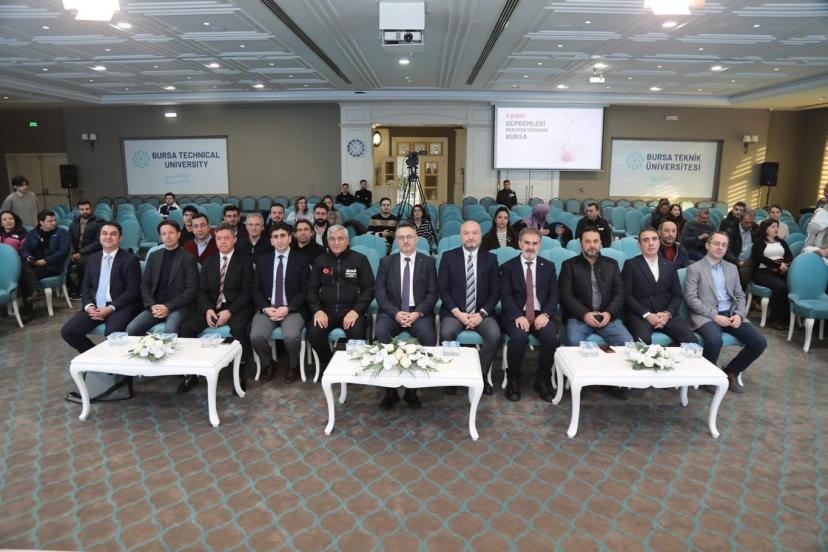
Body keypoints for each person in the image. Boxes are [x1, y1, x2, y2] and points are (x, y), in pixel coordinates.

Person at [684, 231, 767, 393]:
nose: (720, 247)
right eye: (716, 243)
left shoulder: (731, 268)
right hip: (706, 315)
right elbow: (691, 299)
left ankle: (731, 371)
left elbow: (740, 295)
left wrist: (739, 314)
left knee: (759, 342)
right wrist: (714, 316)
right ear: (707, 245)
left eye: (724, 245)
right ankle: (706, 376)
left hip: (731, 314)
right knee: (715, 340)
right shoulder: (695, 268)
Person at [178, 223, 254, 394]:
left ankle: (240, 374)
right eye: (219, 238)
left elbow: (247, 292)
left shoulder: (245, 261)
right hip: (212, 307)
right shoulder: (209, 261)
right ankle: (191, 374)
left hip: (236, 307)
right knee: (186, 328)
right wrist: (208, 309)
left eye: (227, 238)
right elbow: (202, 290)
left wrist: (229, 311)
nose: (223, 242)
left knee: (239, 329)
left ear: (234, 239)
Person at [559, 227, 634, 399]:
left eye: (595, 241)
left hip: (607, 317)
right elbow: (566, 295)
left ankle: (613, 381)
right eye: (587, 241)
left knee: (627, 343)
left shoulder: (612, 264)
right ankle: (581, 381)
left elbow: (619, 293)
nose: (591, 245)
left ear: (600, 243)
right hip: (579, 317)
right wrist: (584, 314)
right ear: (581, 244)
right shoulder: (569, 265)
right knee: (573, 342)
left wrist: (609, 313)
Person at [374, 223, 438, 409]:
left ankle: (412, 390)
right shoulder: (386, 262)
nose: (406, 241)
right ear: (396, 241)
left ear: (416, 239)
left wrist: (417, 313)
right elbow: (380, 292)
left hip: (418, 312)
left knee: (428, 337)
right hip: (392, 311)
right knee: (381, 335)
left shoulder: (428, 262)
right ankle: (390, 392)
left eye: (409, 237)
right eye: (401, 237)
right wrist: (395, 313)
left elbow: (433, 293)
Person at [437, 221, 500, 396]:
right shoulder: (448, 257)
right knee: (446, 333)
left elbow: (496, 291)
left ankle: (479, 375)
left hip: (482, 313)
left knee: (494, 335)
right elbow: (443, 289)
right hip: (455, 312)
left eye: (475, 233)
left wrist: (481, 314)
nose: (470, 237)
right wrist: (458, 314)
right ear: (460, 236)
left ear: (481, 235)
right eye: (466, 233)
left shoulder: (490, 259)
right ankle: (452, 376)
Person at [60, 222, 143, 353]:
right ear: (100, 237)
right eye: (104, 233)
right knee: (68, 332)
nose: (108, 237)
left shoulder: (130, 260)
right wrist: (89, 306)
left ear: (120, 238)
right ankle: (96, 356)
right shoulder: (92, 259)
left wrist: (110, 308)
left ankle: (114, 364)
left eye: (113, 234)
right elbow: (86, 287)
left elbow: (133, 291)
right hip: (96, 306)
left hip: (119, 306)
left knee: (112, 335)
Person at [499, 227, 560, 402]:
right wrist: (517, 316)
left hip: (541, 314)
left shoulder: (548, 267)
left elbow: (554, 294)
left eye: (534, 243)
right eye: (527, 243)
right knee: (519, 338)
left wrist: (546, 314)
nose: (530, 247)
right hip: (517, 313)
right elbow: (505, 295)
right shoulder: (508, 267)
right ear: (519, 243)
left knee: (551, 338)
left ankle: (543, 379)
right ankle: (513, 379)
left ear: (539, 245)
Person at [306, 225, 375, 375]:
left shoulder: (360, 260)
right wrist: (317, 310)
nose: (336, 242)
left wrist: (356, 311)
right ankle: (329, 363)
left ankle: (351, 368)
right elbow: (311, 289)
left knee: (357, 333)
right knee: (314, 334)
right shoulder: (320, 261)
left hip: (351, 310)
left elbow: (369, 289)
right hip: (326, 311)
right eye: (332, 239)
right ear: (327, 241)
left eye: (340, 238)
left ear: (347, 240)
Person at [250, 223, 310, 384]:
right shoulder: (262, 260)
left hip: (292, 309)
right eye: (275, 237)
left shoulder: (302, 260)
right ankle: (269, 364)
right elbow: (255, 289)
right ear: (271, 241)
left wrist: (288, 308)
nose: (279, 240)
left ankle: (293, 366)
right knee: (256, 337)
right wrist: (265, 308)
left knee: (290, 337)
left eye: (283, 236)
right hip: (268, 308)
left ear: (290, 238)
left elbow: (305, 290)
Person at [622, 228, 697, 345]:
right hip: (641, 315)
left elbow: (677, 295)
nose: (651, 243)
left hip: (665, 314)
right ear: (639, 245)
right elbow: (626, 296)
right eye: (646, 240)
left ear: (659, 242)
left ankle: (665, 355)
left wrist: (668, 313)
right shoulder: (630, 264)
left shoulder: (670, 266)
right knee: (643, 343)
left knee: (691, 342)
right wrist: (647, 315)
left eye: (654, 239)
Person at [126, 220, 198, 336]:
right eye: (164, 234)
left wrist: (168, 307)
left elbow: (191, 290)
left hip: (178, 307)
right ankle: (150, 346)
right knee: (132, 329)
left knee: (170, 331)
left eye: (171, 233)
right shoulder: (154, 256)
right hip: (155, 306)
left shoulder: (188, 258)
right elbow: (145, 285)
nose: (167, 236)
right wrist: (152, 305)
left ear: (178, 234)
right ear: (160, 237)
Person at [19, 210, 71, 322]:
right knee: (23, 266)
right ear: (41, 222)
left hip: (52, 266)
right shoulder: (33, 233)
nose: (54, 223)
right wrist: (28, 257)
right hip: (34, 263)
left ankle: (28, 310)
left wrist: (46, 260)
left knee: (25, 277)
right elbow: (24, 250)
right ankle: (36, 291)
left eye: (54, 220)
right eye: (50, 221)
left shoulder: (62, 233)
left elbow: (63, 252)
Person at [751, 219, 793, 330]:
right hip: (762, 272)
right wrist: (778, 264)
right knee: (780, 287)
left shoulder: (781, 242)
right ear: (765, 229)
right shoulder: (759, 242)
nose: (776, 229)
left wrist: (785, 265)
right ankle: (776, 319)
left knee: (792, 286)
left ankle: (787, 319)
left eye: (777, 226)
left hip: (781, 271)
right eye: (773, 227)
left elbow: (789, 256)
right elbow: (760, 258)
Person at [68, 200, 103, 298]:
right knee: (61, 263)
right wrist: (72, 253)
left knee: (81, 263)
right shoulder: (74, 223)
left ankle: (81, 287)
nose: (85, 211)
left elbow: (98, 242)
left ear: (91, 209)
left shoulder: (99, 222)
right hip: (76, 252)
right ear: (78, 210)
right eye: (82, 209)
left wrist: (81, 253)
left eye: (87, 209)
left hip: (92, 252)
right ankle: (71, 286)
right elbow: (69, 240)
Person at [724, 208, 756, 287]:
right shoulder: (730, 231)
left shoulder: (755, 230)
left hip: (750, 263)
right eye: (746, 222)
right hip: (735, 262)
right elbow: (726, 251)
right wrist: (737, 261)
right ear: (740, 220)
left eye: (751, 223)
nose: (749, 225)